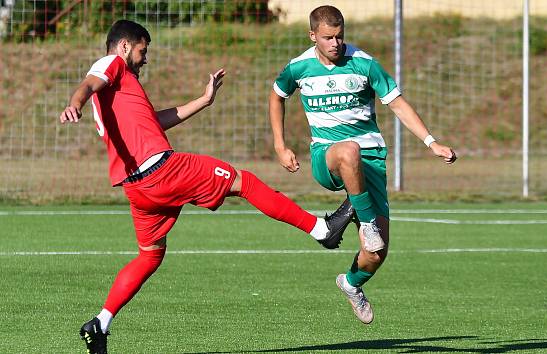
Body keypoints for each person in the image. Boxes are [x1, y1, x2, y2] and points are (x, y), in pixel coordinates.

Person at [60, 19, 353, 354]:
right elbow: (87, 84)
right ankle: (320, 229)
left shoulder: (122, 88)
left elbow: (156, 121)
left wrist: (204, 100)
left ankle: (100, 322)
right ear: (125, 46)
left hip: (138, 188)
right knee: (243, 181)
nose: (145, 59)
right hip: (162, 171)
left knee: (150, 255)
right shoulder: (110, 65)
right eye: (143, 51)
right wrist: (75, 104)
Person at [268, 5, 457, 325]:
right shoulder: (298, 68)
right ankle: (364, 221)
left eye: (340, 37)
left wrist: (431, 142)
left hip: (372, 159)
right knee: (348, 151)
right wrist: (280, 145)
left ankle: (351, 283)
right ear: (312, 35)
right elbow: (276, 96)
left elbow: (397, 102)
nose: (335, 43)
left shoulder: (365, 64)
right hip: (326, 155)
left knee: (376, 254)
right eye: (328, 37)